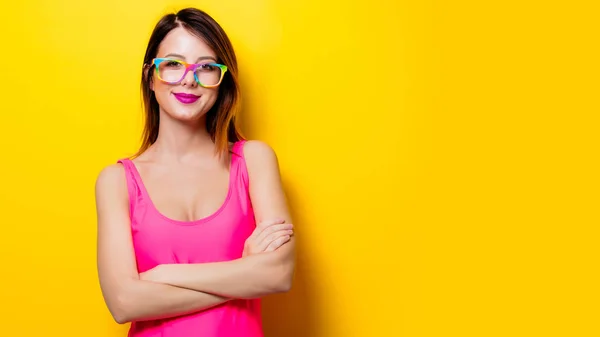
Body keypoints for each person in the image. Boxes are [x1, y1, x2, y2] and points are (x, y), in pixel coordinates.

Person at [94, 7, 296, 337]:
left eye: (206, 68)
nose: (189, 79)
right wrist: (244, 271)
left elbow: (278, 275)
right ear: (150, 76)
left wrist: (161, 275)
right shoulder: (117, 181)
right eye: (173, 64)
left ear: (221, 80)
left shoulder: (254, 161)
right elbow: (123, 302)